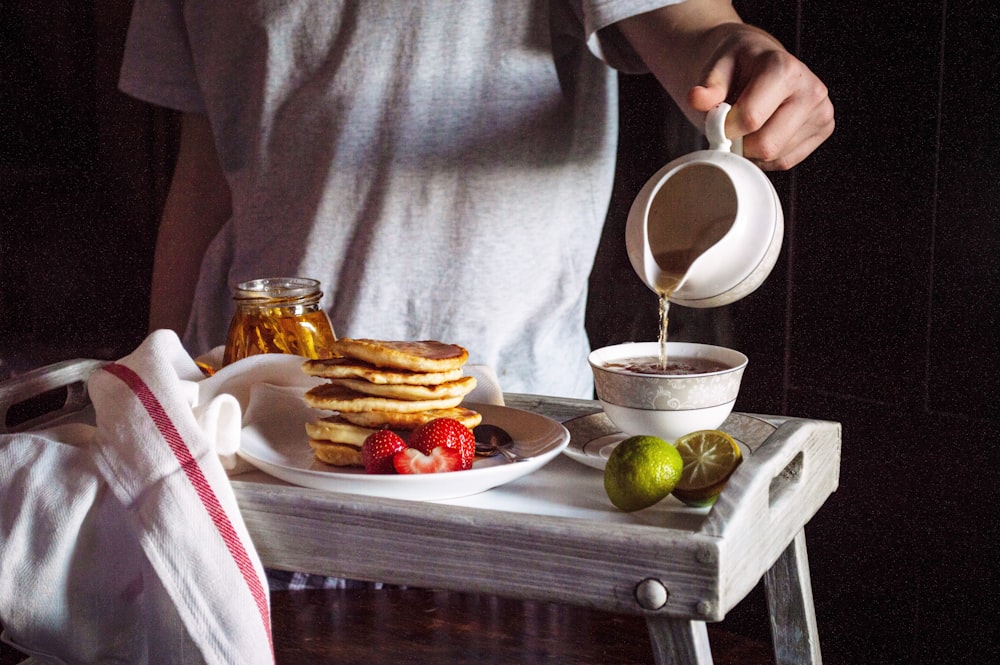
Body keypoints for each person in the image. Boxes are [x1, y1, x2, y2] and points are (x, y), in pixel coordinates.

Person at [120, 0, 833, 399]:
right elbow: (205, 170)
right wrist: (151, 388)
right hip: (249, 422)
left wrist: (749, 58)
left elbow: (693, 29)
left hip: (501, 427)